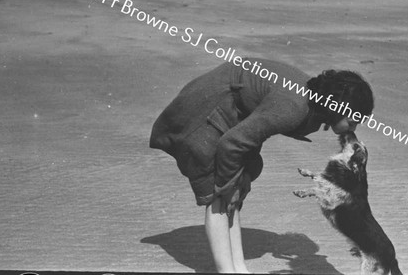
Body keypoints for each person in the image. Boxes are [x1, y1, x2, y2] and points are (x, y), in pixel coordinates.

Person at [149, 58, 374, 273]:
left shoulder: (315, 100)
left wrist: (238, 182)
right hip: (207, 107)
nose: (352, 128)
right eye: (352, 120)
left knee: (234, 192)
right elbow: (231, 143)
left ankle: (238, 268)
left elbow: (253, 129)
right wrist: (228, 185)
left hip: (233, 111)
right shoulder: (294, 107)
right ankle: (227, 270)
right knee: (219, 194)